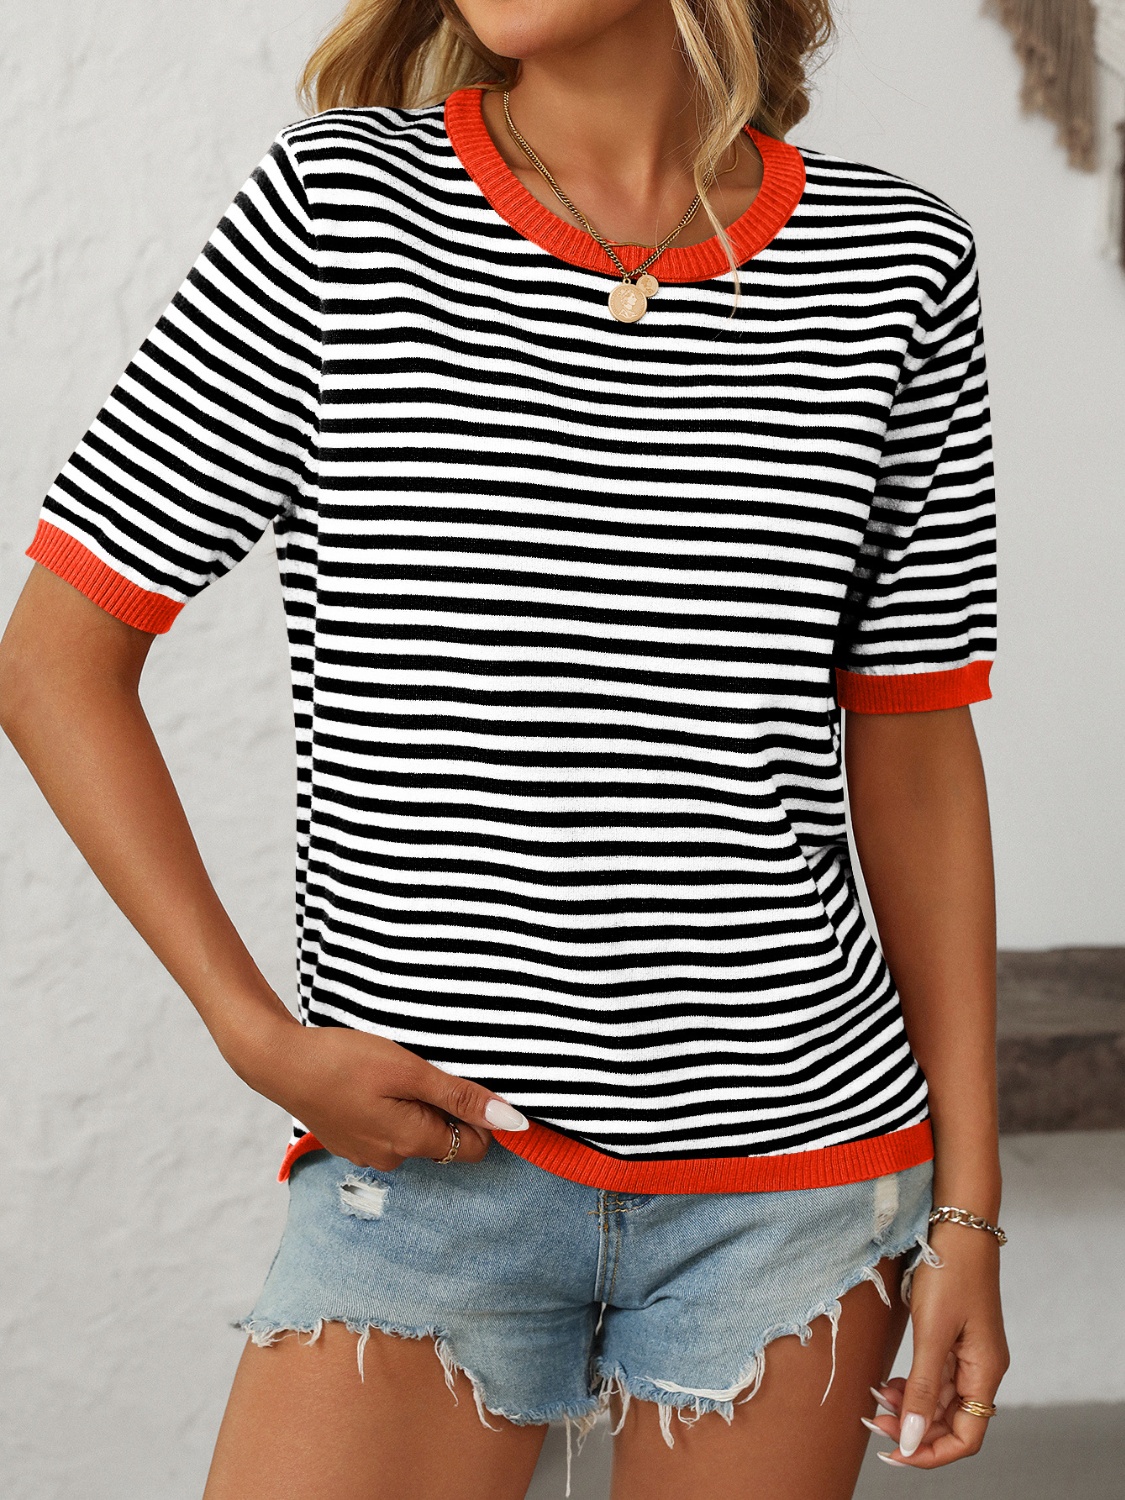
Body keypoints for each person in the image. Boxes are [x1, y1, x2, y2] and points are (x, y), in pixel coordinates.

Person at [0, 2, 1011, 1496]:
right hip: (431, 1169)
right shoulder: (337, 215)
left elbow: (914, 748)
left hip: (798, 1182)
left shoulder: (895, 261)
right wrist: (253, 1034)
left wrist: (968, 1209)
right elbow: (55, 661)